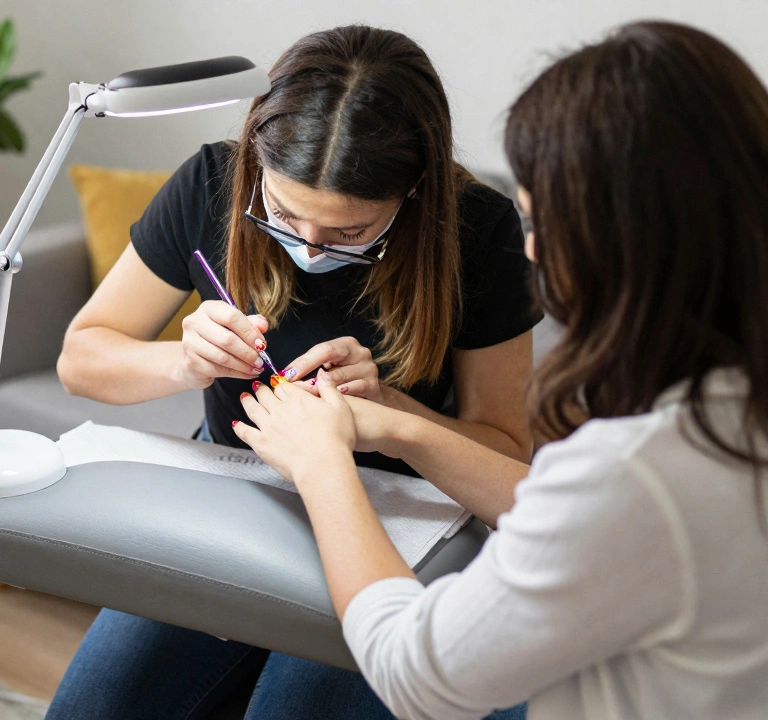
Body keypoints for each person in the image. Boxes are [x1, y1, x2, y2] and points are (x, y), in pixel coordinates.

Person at [234, 21, 768, 719]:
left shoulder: (638, 467)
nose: (537, 251)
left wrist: (322, 464)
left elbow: (414, 674)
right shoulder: (715, 411)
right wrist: (398, 424)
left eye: (540, 222)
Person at [50, 25, 538, 719]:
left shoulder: (480, 234)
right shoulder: (214, 182)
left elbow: (507, 455)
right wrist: (184, 361)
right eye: (282, 215)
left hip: (397, 522)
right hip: (235, 500)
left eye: (347, 233)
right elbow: (82, 359)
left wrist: (393, 416)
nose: (307, 248)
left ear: (414, 191)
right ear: (256, 161)